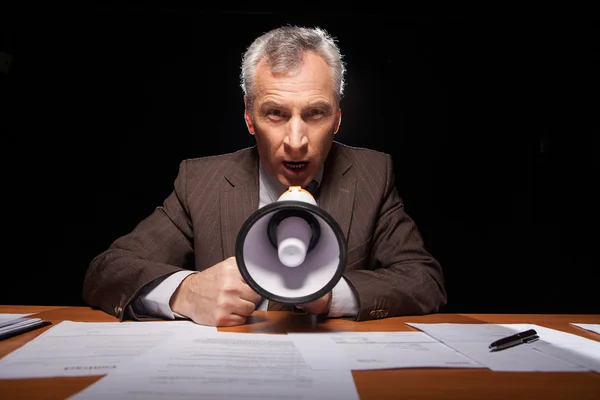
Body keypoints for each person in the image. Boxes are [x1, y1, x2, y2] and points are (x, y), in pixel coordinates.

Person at [82, 25, 447, 327]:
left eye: (315, 114)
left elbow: (424, 280)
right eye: (275, 113)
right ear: (249, 118)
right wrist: (187, 292)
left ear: (337, 117)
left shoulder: (372, 175)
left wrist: (331, 293)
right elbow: (107, 271)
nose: (296, 141)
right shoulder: (200, 183)